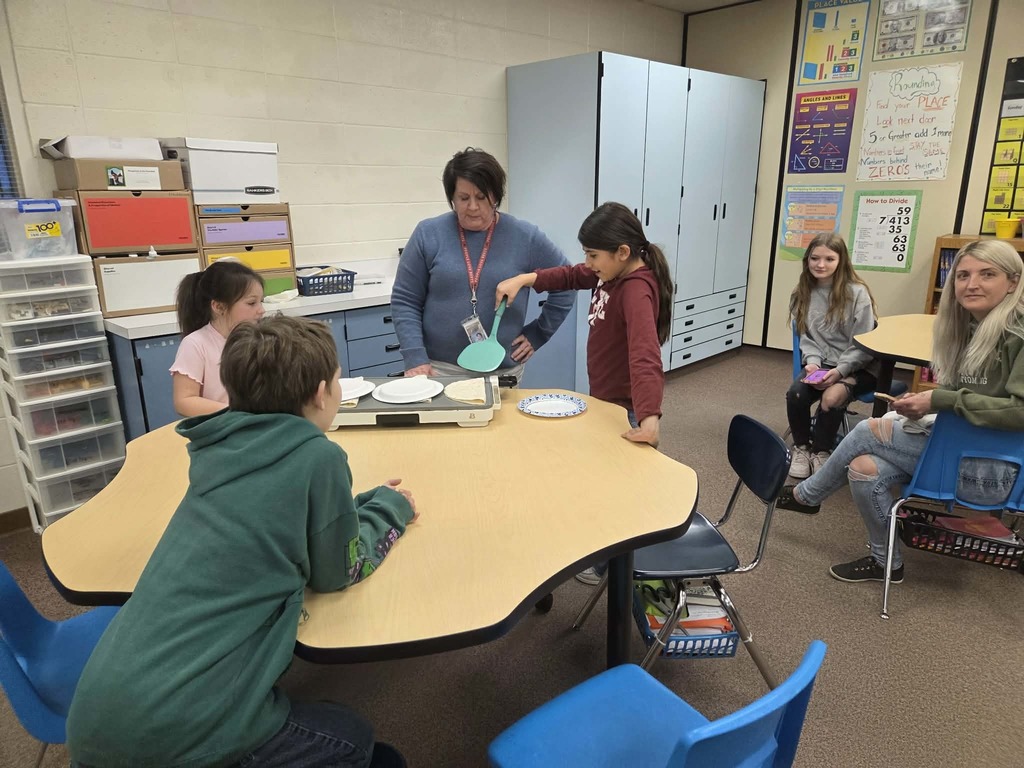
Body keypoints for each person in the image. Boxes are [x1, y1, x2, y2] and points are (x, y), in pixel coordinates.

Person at [67, 315, 418, 768]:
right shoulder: (318, 456)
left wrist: (364, 504)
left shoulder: (219, 445)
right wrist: (392, 510)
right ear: (321, 393)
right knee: (355, 739)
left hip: (94, 722)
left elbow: (292, 519)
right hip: (172, 742)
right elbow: (338, 571)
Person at [778, 240, 1024, 584]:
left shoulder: (1017, 334)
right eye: (962, 275)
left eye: (987, 274)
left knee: (867, 431)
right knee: (864, 468)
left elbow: (1017, 411)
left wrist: (938, 401)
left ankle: (807, 496)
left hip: (996, 474)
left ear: (1013, 282)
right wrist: (928, 403)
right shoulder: (971, 329)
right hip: (963, 449)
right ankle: (886, 563)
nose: (972, 284)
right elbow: (965, 396)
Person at [390, 147, 574, 380]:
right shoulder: (428, 234)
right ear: (452, 198)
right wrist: (415, 357)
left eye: (481, 197)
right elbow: (405, 299)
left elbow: (567, 282)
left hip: (502, 372)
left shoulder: (525, 236)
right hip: (439, 370)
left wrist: (539, 333)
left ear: (495, 196)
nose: (473, 207)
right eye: (463, 198)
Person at [786, 233, 879, 479]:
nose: (821, 264)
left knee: (831, 397)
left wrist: (839, 372)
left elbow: (863, 344)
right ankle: (802, 447)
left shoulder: (857, 293)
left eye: (829, 259)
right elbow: (807, 337)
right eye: (815, 258)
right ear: (807, 260)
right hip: (823, 363)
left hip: (860, 365)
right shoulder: (802, 293)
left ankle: (821, 451)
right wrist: (813, 363)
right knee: (796, 394)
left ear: (841, 261)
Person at [170, 259, 265, 417]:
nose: (261, 310)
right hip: (221, 426)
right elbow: (184, 401)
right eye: (251, 303)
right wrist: (237, 413)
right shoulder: (195, 344)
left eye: (261, 302)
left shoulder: (258, 339)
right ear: (219, 307)